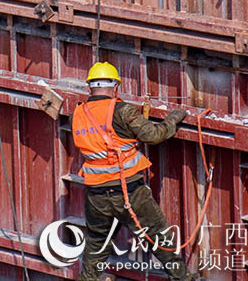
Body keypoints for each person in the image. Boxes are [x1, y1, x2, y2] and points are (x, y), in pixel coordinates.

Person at [72, 62, 200, 281]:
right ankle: (182, 278)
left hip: (96, 195)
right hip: (129, 191)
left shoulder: (78, 113)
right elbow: (153, 135)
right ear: (115, 88)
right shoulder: (122, 110)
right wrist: (173, 119)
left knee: (96, 242)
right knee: (159, 237)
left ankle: (88, 279)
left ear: (89, 88)